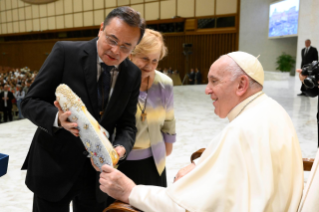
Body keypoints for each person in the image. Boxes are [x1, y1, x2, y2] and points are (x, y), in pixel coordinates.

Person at [98, 51, 303, 212]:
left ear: (241, 84)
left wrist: (131, 192)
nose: (207, 89)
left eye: (214, 81)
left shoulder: (241, 130)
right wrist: (199, 163)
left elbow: (185, 206)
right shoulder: (270, 109)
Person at [21, 7, 145, 212]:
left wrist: (120, 149)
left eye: (126, 47)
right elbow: (29, 102)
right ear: (101, 29)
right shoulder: (65, 52)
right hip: (54, 168)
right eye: (112, 40)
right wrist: (58, 119)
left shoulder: (132, 74)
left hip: (97, 176)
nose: (116, 51)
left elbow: (127, 126)